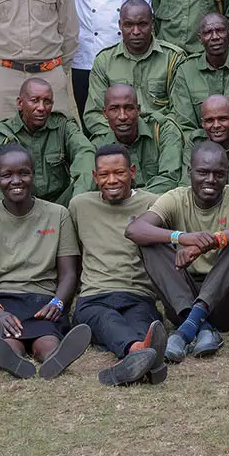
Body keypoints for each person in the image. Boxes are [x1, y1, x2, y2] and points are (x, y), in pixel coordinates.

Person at [124, 141, 229, 362]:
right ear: (189, 171)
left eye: (218, 174)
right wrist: (182, 237)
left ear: (227, 175)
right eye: (203, 172)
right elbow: (135, 229)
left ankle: (185, 332)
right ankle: (201, 327)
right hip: (185, 300)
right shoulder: (176, 198)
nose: (211, 180)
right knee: (149, 243)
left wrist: (215, 240)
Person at [0, 144, 93, 380]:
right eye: (7, 175)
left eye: (23, 173)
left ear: (33, 175)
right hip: (4, 300)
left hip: (44, 300)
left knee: (47, 341)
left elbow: (69, 273)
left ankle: (55, 357)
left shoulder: (58, 214)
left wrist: (58, 303)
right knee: (9, 341)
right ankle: (10, 359)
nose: (16, 181)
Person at [66, 146, 170, 387]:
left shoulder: (153, 204)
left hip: (137, 294)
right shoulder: (79, 206)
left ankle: (135, 359)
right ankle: (140, 354)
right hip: (94, 297)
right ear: (95, 177)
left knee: (144, 323)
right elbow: (74, 255)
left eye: (119, 173)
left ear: (132, 172)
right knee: (107, 319)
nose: (111, 180)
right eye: (104, 175)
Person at [85, 0, 185, 136]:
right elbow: (93, 114)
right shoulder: (104, 61)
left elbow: (181, 111)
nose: (136, 31)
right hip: (117, 138)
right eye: (129, 25)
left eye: (142, 24)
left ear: (152, 24)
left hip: (162, 137)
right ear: (120, 25)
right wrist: (122, 135)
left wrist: (153, 135)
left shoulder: (173, 58)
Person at [0, 77, 95, 206]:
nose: (41, 108)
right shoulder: (4, 132)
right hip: (21, 206)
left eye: (47, 102)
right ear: (20, 103)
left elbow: (85, 152)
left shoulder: (63, 125)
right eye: (34, 101)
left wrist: (79, 199)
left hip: (61, 204)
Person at [168, 12, 229, 135]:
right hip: (200, 148)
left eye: (220, 30)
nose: (215, 37)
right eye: (208, 32)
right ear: (200, 39)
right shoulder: (185, 70)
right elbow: (186, 125)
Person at [96, 83, 185, 195]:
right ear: (105, 113)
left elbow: (170, 179)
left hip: (160, 203)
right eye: (114, 109)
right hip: (119, 207)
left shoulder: (162, 130)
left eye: (129, 108)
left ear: (138, 110)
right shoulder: (99, 143)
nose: (122, 116)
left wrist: (134, 199)